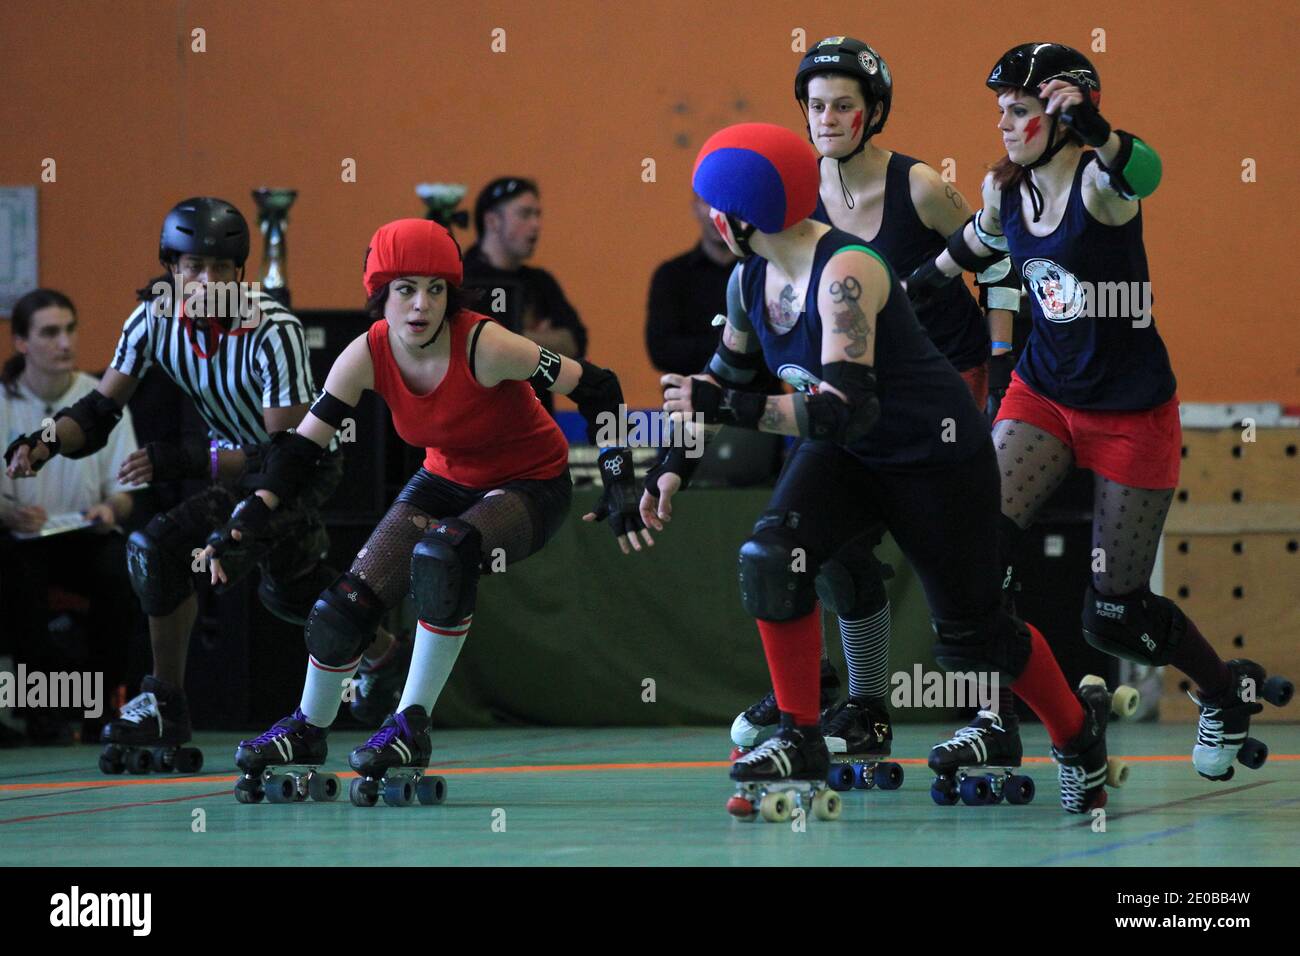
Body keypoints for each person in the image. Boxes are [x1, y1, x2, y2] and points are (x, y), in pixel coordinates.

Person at [644, 121, 1123, 813]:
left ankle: (1079, 738)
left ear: (735, 220)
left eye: (717, 211)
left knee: (976, 637)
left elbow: (842, 406)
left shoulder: (846, 271)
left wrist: (733, 404)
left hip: (933, 458)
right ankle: (800, 733)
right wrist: (670, 469)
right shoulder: (749, 281)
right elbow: (723, 378)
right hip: (849, 454)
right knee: (771, 557)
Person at [904, 43, 1293, 781]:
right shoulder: (1004, 190)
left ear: (1062, 114)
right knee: (973, 540)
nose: (1007, 125)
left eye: (1021, 111)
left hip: (1130, 412)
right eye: (1002, 112)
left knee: (1113, 613)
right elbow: (979, 241)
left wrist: (1100, 127)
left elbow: (1145, 171)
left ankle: (1219, 691)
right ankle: (1010, 717)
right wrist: (921, 282)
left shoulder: (1098, 187)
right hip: (1044, 394)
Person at [211, 219, 647, 802]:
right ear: (380, 296)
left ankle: (410, 725)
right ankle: (310, 728)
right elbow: (299, 450)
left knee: (444, 554)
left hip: (531, 485)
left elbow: (599, 386)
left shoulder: (485, 344)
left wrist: (618, 477)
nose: (421, 305)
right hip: (444, 479)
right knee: (342, 607)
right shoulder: (365, 353)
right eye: (405, 289)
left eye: (436, 289)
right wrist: (250, 514)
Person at [2, 197, 390, 770]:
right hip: (240, 462)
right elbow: (99, 409)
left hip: (301, 465)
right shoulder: (151, 319)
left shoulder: (272, 328)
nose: (205, 280)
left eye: (220, 269)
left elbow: (284, 454)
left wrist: (221, 494)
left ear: (240, 273)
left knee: (273, 580)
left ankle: (380, 654)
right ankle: (166, 702)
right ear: (171, 268)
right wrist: (42, 442)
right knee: (171, 553)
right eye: (191, 267)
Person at [729, 36, 1023, 764]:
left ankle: (996, 714)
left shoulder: (918, 185)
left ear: (872, 114)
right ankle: (855, 701)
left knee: (966, 557)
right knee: (820, 547)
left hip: (941, 389)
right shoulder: (794, 198)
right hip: (847, 394)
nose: (828, 118)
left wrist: (1002, 366)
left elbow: (1000, 262)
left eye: (844, 106)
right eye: (817, 105)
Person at [0, 289, 138, 744]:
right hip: (20, 536)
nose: (65, 342)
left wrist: (109, 508)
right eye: (50, 332)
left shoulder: (100, 399)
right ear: (21, 342)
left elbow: (126, 492)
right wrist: (9, 512)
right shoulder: (3, 402)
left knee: (121, 571)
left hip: (83, 534)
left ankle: (103, 708)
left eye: (70, 330)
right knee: (18, 579)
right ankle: (43, 712)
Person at [464, 177, 588, 413]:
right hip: (475, 418)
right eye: (525, 214)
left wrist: (509, 337)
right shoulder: (462, 281)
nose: (536, 225)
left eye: (538, 215)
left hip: (535, 420)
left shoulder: (540, 282)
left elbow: (575, 343)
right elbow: (467, 349)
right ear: (492, 221)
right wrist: (536, 338)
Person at [645, 195, 740, 376]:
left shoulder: (763, 272)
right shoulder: (671, 275)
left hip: (760, 400)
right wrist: (738, 347)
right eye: (709, 202)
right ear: (695, 207)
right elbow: (661, 351)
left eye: (726, 202)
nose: (718, 213)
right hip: (690, 400)